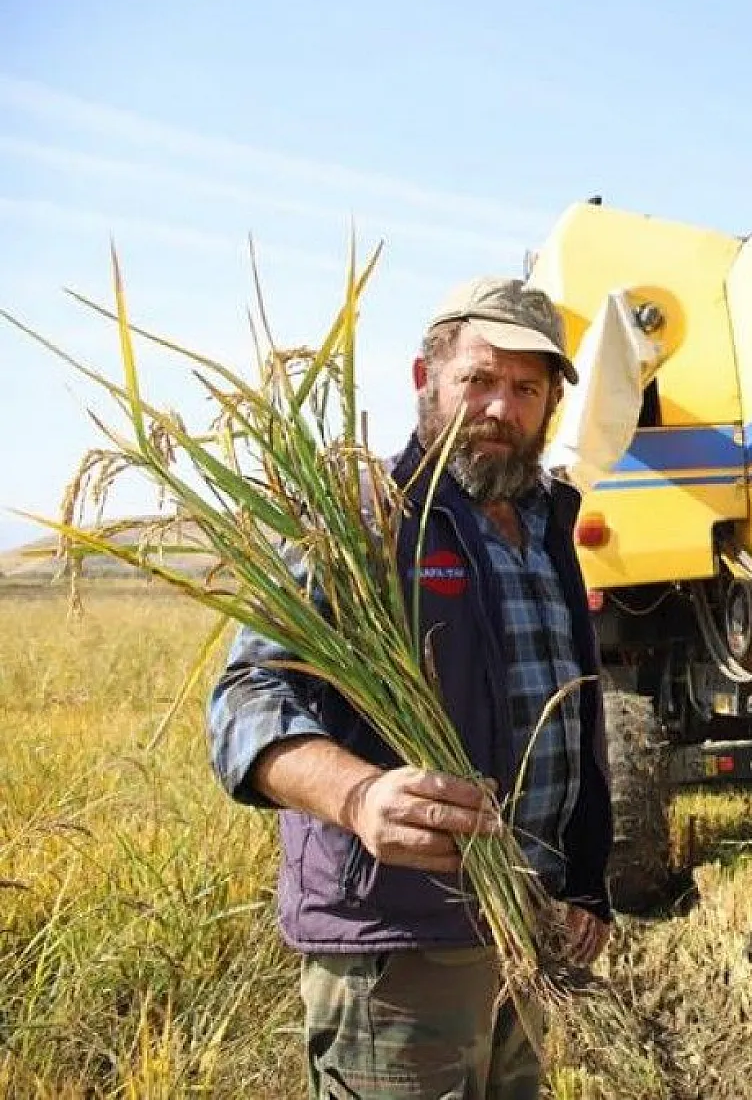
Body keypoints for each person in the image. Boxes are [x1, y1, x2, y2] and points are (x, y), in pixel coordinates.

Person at [206, 276, 615, 1099]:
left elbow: (564, 719)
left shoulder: (547, 526)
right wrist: (359, 797)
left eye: (526, 389)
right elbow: (242, 698)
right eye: (479, 380)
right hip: (401, 947)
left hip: (526, 932)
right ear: (425, 380)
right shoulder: (364, 521)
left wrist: (583, 881)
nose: (502, 407)